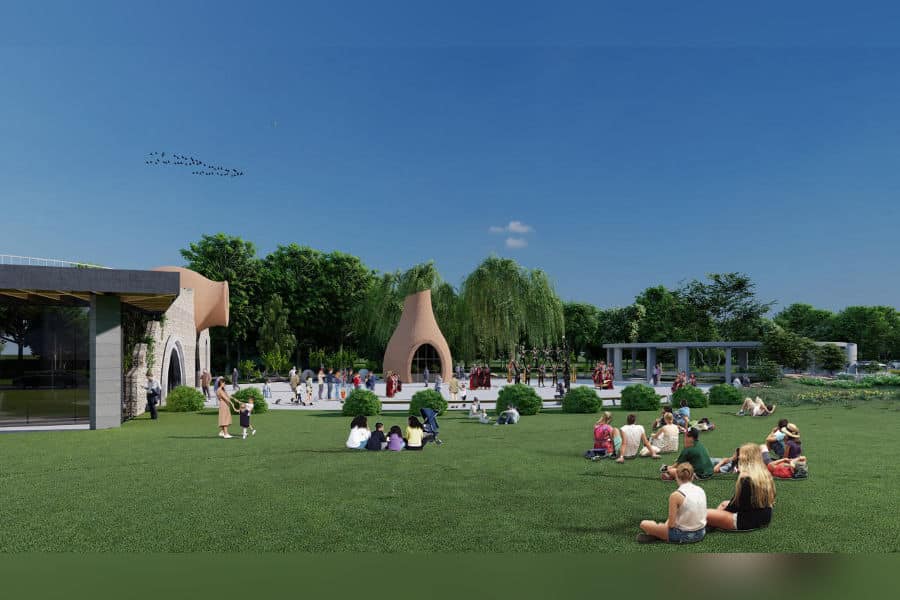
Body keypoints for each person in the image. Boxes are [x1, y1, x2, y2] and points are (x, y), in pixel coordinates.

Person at [706, 443, 775, 531]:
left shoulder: (746, 478)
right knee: (724, 504)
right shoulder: (764, 474)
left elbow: (735, 506)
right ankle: (712, 525)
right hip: (764, 518)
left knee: (706, 514)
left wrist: (720, 514)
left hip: (746, 521)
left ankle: (707, 526)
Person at [638, 463, 707, 544]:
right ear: (692, 476)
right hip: (701, 532)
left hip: (684, 535)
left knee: (644, 524)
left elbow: (671, 525)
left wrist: (661, 527)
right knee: (668, 521)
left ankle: (658, 535)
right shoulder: (700, 490)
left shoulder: (676, 495)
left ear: (676, 476)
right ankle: (659, 534)